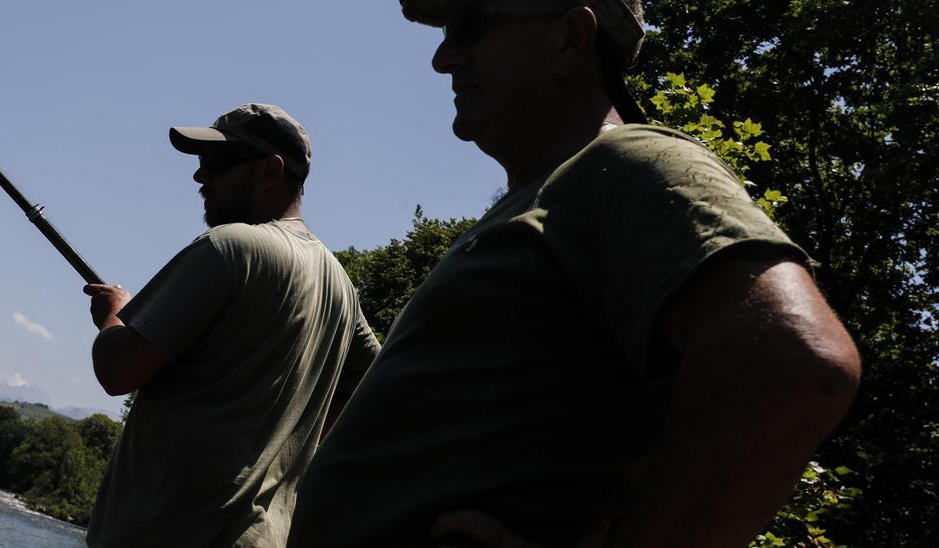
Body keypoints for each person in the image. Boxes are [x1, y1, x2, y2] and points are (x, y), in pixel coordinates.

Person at [288, 1, 861, 547]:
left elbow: (794, 360)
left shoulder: (629, 161)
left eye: (471, 22)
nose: (444, 58)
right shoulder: (551, 193)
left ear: (571, 38)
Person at [82, 103, 381, 548]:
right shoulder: (341, 288)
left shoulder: (231, 247)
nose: (200, 177)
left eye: (218, 163)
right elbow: (369, 396)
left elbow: (117, 370)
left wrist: (113, 314)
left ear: (270, 170)